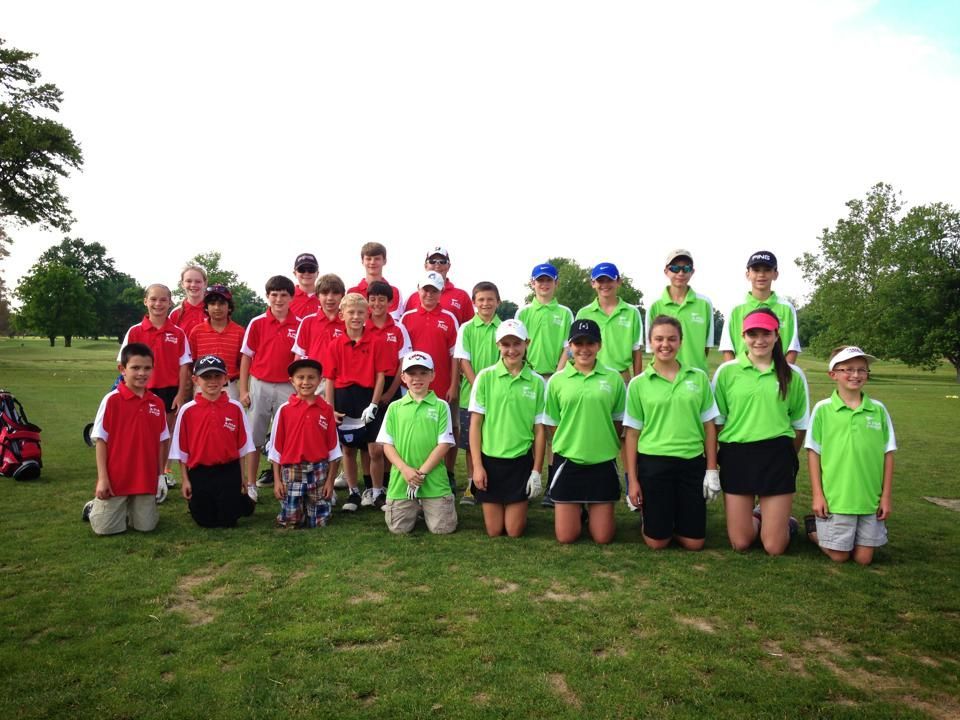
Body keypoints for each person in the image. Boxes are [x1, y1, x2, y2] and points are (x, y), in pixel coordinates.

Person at [712, 308, 809, 555]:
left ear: (777, 335)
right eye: (752, 334)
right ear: (743, 336)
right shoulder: (727, 372)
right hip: (737, 456)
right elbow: (719, 421)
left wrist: (787, 456)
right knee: (741, 543)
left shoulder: (793, 374)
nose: (759, 340)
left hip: (777, 455)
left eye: (765, 333)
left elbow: (799, 425)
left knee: (774, 547)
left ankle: (785, 523)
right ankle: (759, 514)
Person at [624, 316, 720, 551]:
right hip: (654, 463)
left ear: (680, 342)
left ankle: (675, 515)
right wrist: (633, 481)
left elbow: (709, 426)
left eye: (671, 339)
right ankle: (655, 517)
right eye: (658, 339)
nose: (665, 344)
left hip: (691, 463)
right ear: (650, 342)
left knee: (694, 543)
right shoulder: (638, 384)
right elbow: (632, 434)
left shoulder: (697, 378)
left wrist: (711, 469)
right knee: (657, 542)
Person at [805, 346, 896, 565]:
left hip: (869, 499)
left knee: (864, 560)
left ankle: (845, 537)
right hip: (837, 498)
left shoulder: (878, 410)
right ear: (833, 374)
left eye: (861, 370)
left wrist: (885, 497)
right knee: (839, 556)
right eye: (848, 369)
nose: (855, 375)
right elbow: (813, 452)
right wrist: (818, 495)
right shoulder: (823, 409)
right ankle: (813, 528)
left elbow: (888, 453)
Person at [544, 319, 626, 544]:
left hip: (602, 461)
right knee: (566, 537)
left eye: (590, 342)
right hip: (569, 461)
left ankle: (592, 511)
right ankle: (578, 510)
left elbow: (618, 421)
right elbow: (553, 423)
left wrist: (602, 440)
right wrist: (571, 440)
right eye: (578, 343)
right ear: (570, 346)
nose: (584, 348)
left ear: (599, 345)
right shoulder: (557, 381)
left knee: (603, 538)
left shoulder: (613, 378)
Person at [468, 319, 546, 537]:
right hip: (490, 461)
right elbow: (475, 424)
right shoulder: (485, 377)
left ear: (526, 344)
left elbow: (539, 430)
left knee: (513, 531)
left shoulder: (538, 382)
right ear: (498, 346)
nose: (511, 350)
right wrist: (477, 467)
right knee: (494, 531)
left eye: (517, 343)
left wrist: (536, 471)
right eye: (506, 344)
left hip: (520, 462)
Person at [82, 343, 169, 535]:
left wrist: (160, 475)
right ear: (122, 369)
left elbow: (162, 442)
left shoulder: (157, 403)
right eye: (135, 368)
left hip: (144, 479)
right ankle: (93, 508)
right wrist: (103, 479)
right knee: (105, 530)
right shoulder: (111, 400)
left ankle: (130, 509)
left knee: (146, 527)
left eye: (147, 368)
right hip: (116, 480)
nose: (141, 373)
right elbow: (101, 441)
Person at [323, 293, 393, 511]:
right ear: (342, 315)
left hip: (368, 396)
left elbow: (381, 375)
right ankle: (353, 493)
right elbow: (330, 380)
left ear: (367, 314)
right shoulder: (335, 345)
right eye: (351, 312)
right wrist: (330, 409)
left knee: (375, 450)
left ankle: (377, 491)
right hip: (345, 398)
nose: (356, 316)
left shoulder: (377, 342)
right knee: (348, 449)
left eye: (360, 312)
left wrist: (374, 404)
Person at [169, 355, 257, 527]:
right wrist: (185, 480)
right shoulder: (187, 410)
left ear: (225, 378)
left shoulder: (235, 407)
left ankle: (241, 501)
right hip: (200, 471)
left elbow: (242, 448)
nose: (212, 381)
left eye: (217, 376)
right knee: (205, 521)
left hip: (228, 470)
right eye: (206, 377)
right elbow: (182, 451)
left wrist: (242, 477)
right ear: (195, 380)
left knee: (228, 521)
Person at [376, 351, 457, 535]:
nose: (417, 378)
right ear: (403, 377)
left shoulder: (440, 405)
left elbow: (444, 444)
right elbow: (387, 444)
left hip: (433, 480)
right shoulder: (394, 407)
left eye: (423, 373)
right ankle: (416, 506)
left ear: (432, 375)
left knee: (442, 529)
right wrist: (405, 470)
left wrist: (420, 474)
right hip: (402, 480)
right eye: (412, 373)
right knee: (398, 529)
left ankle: (426, 504)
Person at [119, 283, 192, 486]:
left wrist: (180, 394)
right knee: (139, 434)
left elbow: (184, 366)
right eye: (153, 299)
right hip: (141, 391)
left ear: (170, 303)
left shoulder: (177, 333)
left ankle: (162, 474)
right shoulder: (134, 331)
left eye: (163, 300)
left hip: (169, 391)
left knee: (164, 435)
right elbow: (123, 364)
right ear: (145, 301)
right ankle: (137, 472)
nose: (158, 304)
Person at [400, 271, 460, 492]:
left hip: (442, 385)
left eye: (434, 290)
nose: (429, 294)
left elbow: (455, 355)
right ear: (419, 290)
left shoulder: (449, 318)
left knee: (449, 430)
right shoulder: (407, 317)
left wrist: (454, 384)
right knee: (414, 430)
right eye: (426, 289)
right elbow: (402, 354)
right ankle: (412, 472)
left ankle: (449, 472)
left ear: (441, 292)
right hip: (413, 385)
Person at [239, 275, 300, 489]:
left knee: (288, 435)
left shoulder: (299, 324)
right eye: (274, 295)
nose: (279, 299)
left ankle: (287, 480)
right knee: (255, 436)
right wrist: (244, 389)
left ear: (292, 298)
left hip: (288, 385)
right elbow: (246, 356)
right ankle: (251, 483)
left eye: (284, 295)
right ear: (267, 296)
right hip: (260, 383)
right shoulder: (257, 322)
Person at [268, 358, 342, 528]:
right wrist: (278, 481)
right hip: (292, 471)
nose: (306, 382)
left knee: (318, 523)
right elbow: (276, 449)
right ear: (292, 381)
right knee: (292, 521)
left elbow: (334, 450)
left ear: (320, 380)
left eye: (311, 377)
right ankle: (293, 510)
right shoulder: (284, 410)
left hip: (319, 470)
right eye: (300, 377)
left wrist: (330, 482)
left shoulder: (326, 409)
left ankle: (319, 505)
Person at [454, 281, 502, 505]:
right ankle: (472, 487)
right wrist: (480, 387)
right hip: (471, 396)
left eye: (490, 299)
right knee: (472, 445)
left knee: (494, 440)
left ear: (498, 302)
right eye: (481, 299)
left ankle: (493, 484)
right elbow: (464, 361)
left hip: (499, 395)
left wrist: (493, 389)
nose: (485, 303)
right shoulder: (466, 328)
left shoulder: (504, 328)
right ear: (474, 303)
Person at [719, 251, 801, 364]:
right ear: (747, 274)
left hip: (777, 374)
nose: (761, 275)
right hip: (742, 374)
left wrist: (784, 376)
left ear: (775, 274)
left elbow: (792, 348)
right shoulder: (736, 308)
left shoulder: (787, 308)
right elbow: (728, 348)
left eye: (767, 270)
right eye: (756, 270)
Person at [567, 262, 643, 380]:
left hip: (621, 376)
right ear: (593, 283)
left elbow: (636, 350)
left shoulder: (632, 312)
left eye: (609, 280)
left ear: (618, 281)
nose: (605, 284)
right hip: (591, 375)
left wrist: (638, 382)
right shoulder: (584, 313)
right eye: (600, 281)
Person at [644, 250, 714, 374]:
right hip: (662, 375)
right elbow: (652, 346)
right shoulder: (655, 305)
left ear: (692, 272)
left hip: (695, 375)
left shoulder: (705, 303)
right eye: (675, 268)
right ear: (666, 271)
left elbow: (706, 346)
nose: (681, 273)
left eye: (686, 268)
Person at [188, 284, 245, 401]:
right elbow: (191, 361)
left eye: (222, 304)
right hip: (202, 385)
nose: (217, 308)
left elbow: (242, 362)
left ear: (229, 307)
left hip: (229, 386)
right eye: (212, 304)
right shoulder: (196, 331)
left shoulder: (239, 332)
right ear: (206, 307)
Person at [515, 262, 574, 377]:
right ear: (532, 283)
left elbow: (568, 347)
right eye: (540, 280)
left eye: (549, 280)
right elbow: (518, 345)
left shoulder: (565, 312)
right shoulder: (522, 313)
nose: (544, 284)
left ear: (556, 283)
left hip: (557, 374)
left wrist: (557, 375)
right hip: (528, 375)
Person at [404, 246, 475, 325]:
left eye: (442, 261)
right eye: (432, 261)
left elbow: (470, 328)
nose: (437, 265)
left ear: (449, 266)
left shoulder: (462, 296)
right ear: (425, 266)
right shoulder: (412, 298)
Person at [291, 273, 346, 360]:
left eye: (335, 293)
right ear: (317, 296)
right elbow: (298, 356)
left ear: (342, 296)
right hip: (314, 373)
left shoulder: (348, 322)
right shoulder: (307, 321)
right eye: (325, 293)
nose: (330, 298)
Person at [348, 242, 405, 321]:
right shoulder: (352, 292)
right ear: (362, 261)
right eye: (368, 259)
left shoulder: (394, 291)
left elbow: (394, 320)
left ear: (384, 261)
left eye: (377, 258)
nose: (372, 262)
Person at [169, 265, 208, 338]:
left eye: (198, 281)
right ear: (182, 284)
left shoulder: (214, 311)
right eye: (189, 281)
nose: (193, 285)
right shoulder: (175, 314)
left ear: (205, 283)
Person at [289, 252, 320, 319]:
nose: (306, 273)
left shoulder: (327, 297)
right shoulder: (286, 297)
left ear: (317, 273)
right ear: (295, 273)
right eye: (301, 269)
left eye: (311, 269)